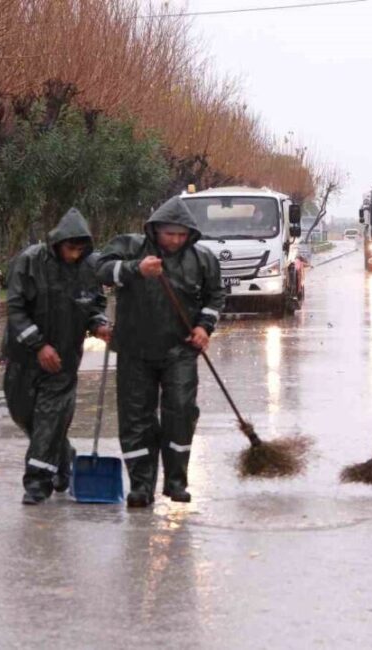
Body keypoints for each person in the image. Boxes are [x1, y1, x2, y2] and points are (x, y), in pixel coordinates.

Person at [96, 196, 224, 507]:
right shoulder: (130, 247)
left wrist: (204, 327)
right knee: (136, 417)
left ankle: (176, 482)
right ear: (156, 231)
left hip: (179, 350)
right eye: (170, 234)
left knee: (180, 411)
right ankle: (141, 484)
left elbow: (215, 297)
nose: (176, 241)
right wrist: (134, 269)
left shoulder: (202, 259)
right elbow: (98, 270)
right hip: (133, 350)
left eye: (182, 235)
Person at [4, 208, 110, 505]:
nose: (74, 255)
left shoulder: (89, 267)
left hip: (62, 362)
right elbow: (15, 308)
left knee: (49, 420)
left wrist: (99, 324)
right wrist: (39, 346)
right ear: (57, 243)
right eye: (70, 248)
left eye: (80, 249)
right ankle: (65, 456)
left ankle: (37, 484)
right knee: (25, 416)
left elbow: (94, 304)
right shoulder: (30, 262)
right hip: (23, 357)